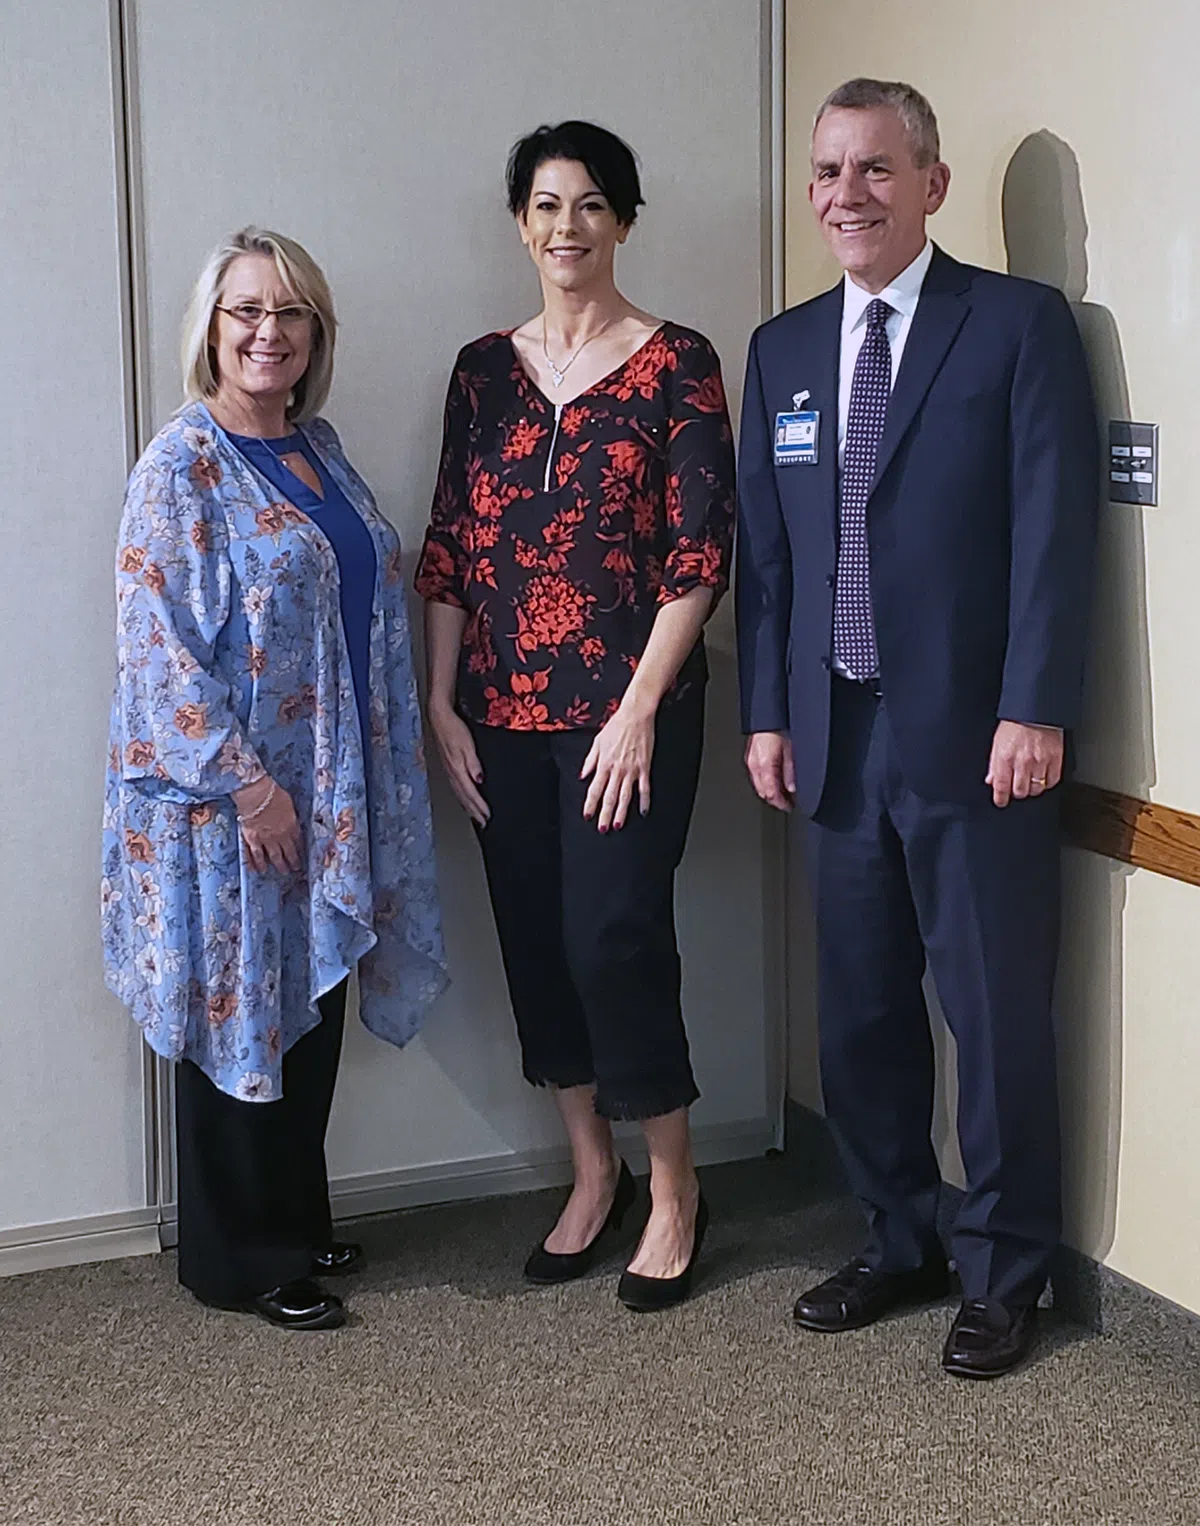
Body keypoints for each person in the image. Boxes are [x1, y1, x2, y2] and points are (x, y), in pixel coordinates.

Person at [737, 80, 1098, 1377]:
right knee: (861, 1011)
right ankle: (898, 1236)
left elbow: (1054, 531)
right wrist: (767, 713)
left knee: (993, 1016)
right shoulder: (783, 349)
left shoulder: (1016, 326)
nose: (849, 194)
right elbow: (768, 561)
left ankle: (1006, 1268)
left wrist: (1035, 703)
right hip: (834, 732)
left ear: (932, 184)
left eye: (877, 168)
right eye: (830, 171)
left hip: (975, 736)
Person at [103, 227, 448, 1330]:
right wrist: (248, 786)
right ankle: (240, 1255)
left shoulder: (319, 449)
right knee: (237, 1010)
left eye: (290, 312)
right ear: (211, 328)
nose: (269, 331)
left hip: (328, 789)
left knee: (306, 1003)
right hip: (230, 804)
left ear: (316, 333)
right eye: (246, 310)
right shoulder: (180, 465)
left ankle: (295, 1216)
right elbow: (155, 652)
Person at [415, 122, 735, 1311]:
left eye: (592, 203)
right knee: (538, 940)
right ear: (520, 222)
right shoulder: (481, 372)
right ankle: (593, 1171)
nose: (568, 226)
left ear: (625, 221)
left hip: (627, 715)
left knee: (615, 937)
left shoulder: (678, 362)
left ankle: (675, 1186)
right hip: (498, 713)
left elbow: (701, 554)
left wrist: (641, 706)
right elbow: (452, 544)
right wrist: (439, 698)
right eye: (547, 204)